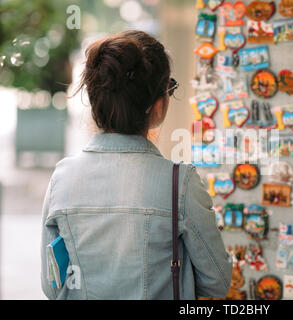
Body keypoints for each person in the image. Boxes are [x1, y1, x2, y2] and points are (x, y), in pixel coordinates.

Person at [40, 30, 232, 300]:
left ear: (95, 102)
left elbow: (51, 286)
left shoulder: (62, 178)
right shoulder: (180, 181)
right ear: (157, 106)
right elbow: (218, 283)